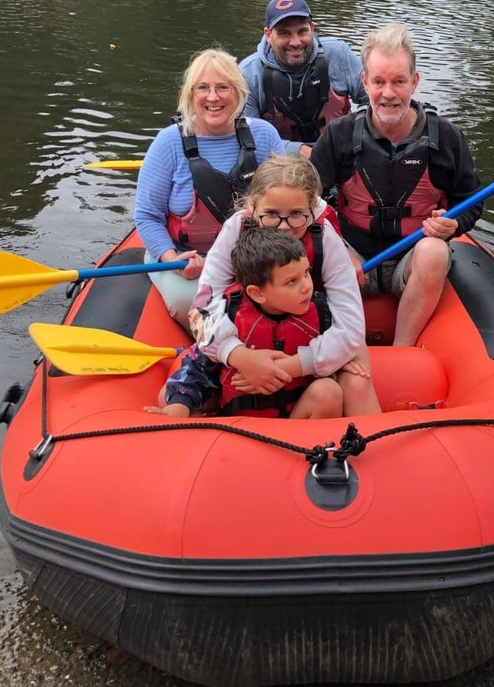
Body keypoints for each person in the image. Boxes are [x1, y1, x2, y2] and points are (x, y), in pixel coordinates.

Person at [308, 23, 484, 347]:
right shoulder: (339, 135)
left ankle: (403, 349)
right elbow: (304, 201)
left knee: (434, 251)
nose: (388, 94)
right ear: (365, 82)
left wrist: (455, 224)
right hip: (353, 258)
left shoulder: (447, 138)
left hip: (411, 261)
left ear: (414, 82)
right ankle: (330, 347)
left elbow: (472, 202)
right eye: (379, 82)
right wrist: (335, 247)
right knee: (310, 248)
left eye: (399, 81)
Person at [194, 154, 381, 416]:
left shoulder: (324, 237)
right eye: (272, 214)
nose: (283, 227)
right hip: (249, 334)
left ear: (312, 209)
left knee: (357, 379)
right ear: (252, 207)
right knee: (185, 388)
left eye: (295, 214)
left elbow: (351, 325)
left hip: (315, 331)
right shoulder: (235, 230)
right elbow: (202, 308)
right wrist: (238, 355)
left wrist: (290, 367)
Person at [133, 47, 284, 327]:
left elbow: (286, 202)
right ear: (190, 95)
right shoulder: (168, 143)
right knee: (190, 302)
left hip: (250, 256)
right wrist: (173, 258)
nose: (213, 97)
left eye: (223, 87)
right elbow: (147, 216)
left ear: (238, 92)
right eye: (203, 88)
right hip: (185, 258)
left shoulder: (264, 136)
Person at [146, 227, 343, 420]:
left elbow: (341, 345)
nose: (307, 286)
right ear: (257, 293)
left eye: (306, 273)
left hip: (295, 417)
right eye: (292, 281)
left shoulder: (323, 312)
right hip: (237, 419)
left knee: (328, 391)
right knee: (170, 398)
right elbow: (199, 367)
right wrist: (180, 404)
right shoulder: (229, 318)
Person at [239, 0, 369, 160]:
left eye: (302, 31)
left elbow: (374, 100)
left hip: (342, 153)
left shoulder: (339, 54)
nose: (295, 42)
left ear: (312, 29)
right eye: (284, 33)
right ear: (268, 35)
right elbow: (248, 136)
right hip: (281, 163)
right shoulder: (248, 74)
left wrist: (353, 136)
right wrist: (299, 152)